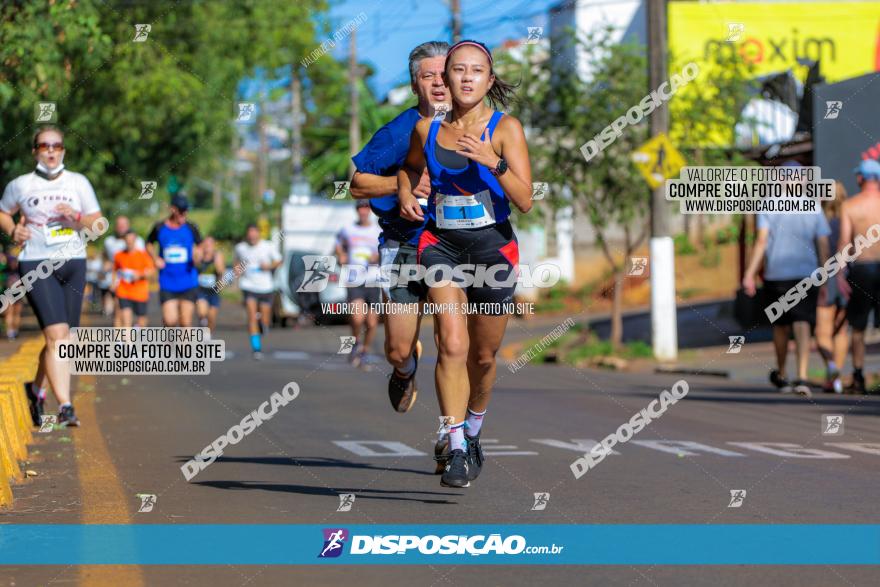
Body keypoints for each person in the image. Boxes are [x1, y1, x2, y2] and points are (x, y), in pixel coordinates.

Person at [398, 39, 533, 487]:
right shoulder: (427, 130)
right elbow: (411, 167)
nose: (467, 77)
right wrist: (405, 190)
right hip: (441, 246)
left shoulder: (505, 128)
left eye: (477, 70)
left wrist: (493, 164)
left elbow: (526, 200)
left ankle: (474, 429)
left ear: (489, 81)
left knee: (484, 354)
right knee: (452, 345)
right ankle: (455, 445)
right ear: (446, 79)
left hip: (493, 250)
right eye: (458, 70)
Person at [349, 40, 451, 414]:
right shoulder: (399, 132)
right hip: (402, 242)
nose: (439, 83)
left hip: (453, 245)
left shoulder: (472, 127)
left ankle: (452, 434)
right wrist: (403, 183)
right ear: (415, 86)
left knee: (453, 344)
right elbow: (358, 184)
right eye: (428, 76)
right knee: (396, 349)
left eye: (445, 74)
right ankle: (405, 369)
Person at [0, 125, 104, 427]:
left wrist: (75, 217)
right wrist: (12, 230)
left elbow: (98, 225)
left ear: (63, 151)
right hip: (36, 262)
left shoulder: (78, 183)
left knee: (64, 338)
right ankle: (66, 406)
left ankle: (35, 389)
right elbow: (3, 212)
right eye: (44, 145)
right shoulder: (21, 184)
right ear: (35, 151)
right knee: (57, 335)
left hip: (73, 261)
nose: (50, 150)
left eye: (56, 146)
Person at [742, 161, 831, 398]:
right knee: (802, 323)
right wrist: (825, 276)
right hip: (806, 275)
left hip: (777, 275)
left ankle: (782, 374)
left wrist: (750, 274)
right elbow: (822, 244)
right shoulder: (813, 206)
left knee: (780, 325)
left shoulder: (768, 205)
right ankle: (802, 376)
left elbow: (761, 241)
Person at [838, 159, 880, 394]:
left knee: (858, 327)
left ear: (862, 178)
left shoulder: (851, 206)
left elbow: (844, 242)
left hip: (862, 268)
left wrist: (840, 275)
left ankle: (858, 375)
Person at [335, 200, 381, 368]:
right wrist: (341, 255)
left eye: (366, 208)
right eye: (360, 208)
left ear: (370, 210)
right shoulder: (347, 229)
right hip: (354, 279)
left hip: (373, 279)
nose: (363, 211)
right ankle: (355, 343)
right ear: (357, 211)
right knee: (357, 317)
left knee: (371, 323)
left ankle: (365, 350)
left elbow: (385, 250)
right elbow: (338, 244)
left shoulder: (378, 230)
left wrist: (378, 257)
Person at [146, 195, 202, 327]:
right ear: (172, 209)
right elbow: (148, 243)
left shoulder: (191, 227)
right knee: (170, 320)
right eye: (181, 211)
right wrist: (155, 258)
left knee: (185, 322)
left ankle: (183, 348)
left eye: (186, 211)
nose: (184, 214)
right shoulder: (159, 227)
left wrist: (197, 255)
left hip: (188, 281)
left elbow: (200, 245)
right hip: (167, 281)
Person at [816, 181, 849, 393]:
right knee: (841, 331)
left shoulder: (820, 221)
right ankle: (836, 378)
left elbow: (823, 253)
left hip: (827, 277)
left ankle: (831, 367)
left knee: (821, 333)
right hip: (848, 278)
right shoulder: (850, 218)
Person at [234, 224, 281, 360]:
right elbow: (236, 262)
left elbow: (278, 261)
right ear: (247, 235)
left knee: (264, 320)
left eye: (255, 234)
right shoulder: (240, 248)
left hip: (266, 287)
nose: (252, 237)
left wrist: (269, 266)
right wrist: (237, 269)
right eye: (250, 234)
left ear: (259, 234)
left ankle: (263, 325)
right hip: (248, 286)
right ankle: (256, 348)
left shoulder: (268, 246)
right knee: (251, 316)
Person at [104, 215, 144, 326]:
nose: (121, 227)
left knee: (137, 315)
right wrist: (107, 264)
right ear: (115, 227)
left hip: (135, 282)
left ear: (128, 225)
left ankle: (131, 334)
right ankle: (119, 341)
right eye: (119, 225)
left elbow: (142, 259)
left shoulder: (139, 241)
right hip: (118, 280)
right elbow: (107, 257)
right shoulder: (109, 241)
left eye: (124, 224)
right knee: (118, 310)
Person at [112, 229, 155, 328]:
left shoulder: (143, 255)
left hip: (140, 292)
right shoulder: (119, 255)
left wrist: (140, 275)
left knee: (142, 322)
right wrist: (113, 283)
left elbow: (152, 271)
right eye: (127, 240)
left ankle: (136, 330)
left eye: (131, 240)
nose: (129, 242)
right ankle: (126, 342)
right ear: (124, 240)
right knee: (126, 319)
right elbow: (115, 270)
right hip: (124, 291)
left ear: (135, 240)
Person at [196, 236, 225, 334]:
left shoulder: (217, 256)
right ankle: (202, 324)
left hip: (214, 290)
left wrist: (217, 261)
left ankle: (208, 335)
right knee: (202, 312)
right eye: (206, 244)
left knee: (211, 317)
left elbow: (221, 271)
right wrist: (199, 257)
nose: (208, 246)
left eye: (210, 244)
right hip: (201, 289)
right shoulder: (199, 256)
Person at [0, 244, 23, 340]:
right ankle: (14, 331)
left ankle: (11, 332)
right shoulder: (19, 259)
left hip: (9, 286)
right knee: (16, 312)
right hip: (17, 286)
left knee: (10, 312)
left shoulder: (5, 259)